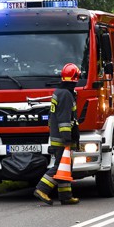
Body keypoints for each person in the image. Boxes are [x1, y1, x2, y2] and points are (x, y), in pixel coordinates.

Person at [33, 63, 81, 206]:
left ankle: (66, 196)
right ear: (75, 78)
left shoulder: (60, 92)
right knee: (60, 166)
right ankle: (42, 189)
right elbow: (64, 119)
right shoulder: (66, 95)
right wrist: (67, 139)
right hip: (62, 138)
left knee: (65, 167)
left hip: (58, 136)